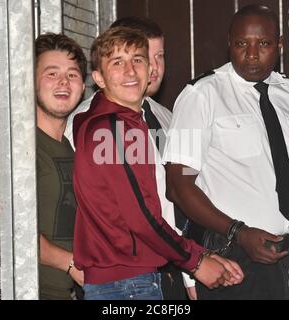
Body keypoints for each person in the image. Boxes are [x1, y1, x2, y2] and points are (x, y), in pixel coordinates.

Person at [164, 4, 289, 300]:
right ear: (230, 43)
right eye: (242, 44)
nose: (252, 54)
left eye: (263, 44)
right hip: (230, 256)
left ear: (280, 45)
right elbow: (179, 184)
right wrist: (238, 232)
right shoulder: (201, 95)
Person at [70, 26, 244, 300]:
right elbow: (140, 217)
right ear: (98, 78)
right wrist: (196, 262)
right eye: (118, 63)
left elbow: (178, 193)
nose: (131, 71)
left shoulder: (165, 117)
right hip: (126, 281)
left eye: (140, 59)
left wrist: (196, 260)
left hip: (157, 267)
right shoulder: (110, 126)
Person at [109, 16, 188, 300]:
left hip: (174, 268)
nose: (154, 67)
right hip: (123, 276)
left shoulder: (167, 117)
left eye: (160, 56)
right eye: (145, 57)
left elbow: (179, 194)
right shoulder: (88, 122)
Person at [34, 33, 86, 299]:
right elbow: (12, 228)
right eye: (52, 74)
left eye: (73, 75)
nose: (64, 82)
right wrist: (70, 263)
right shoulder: (21, 149)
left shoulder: (74, 149)